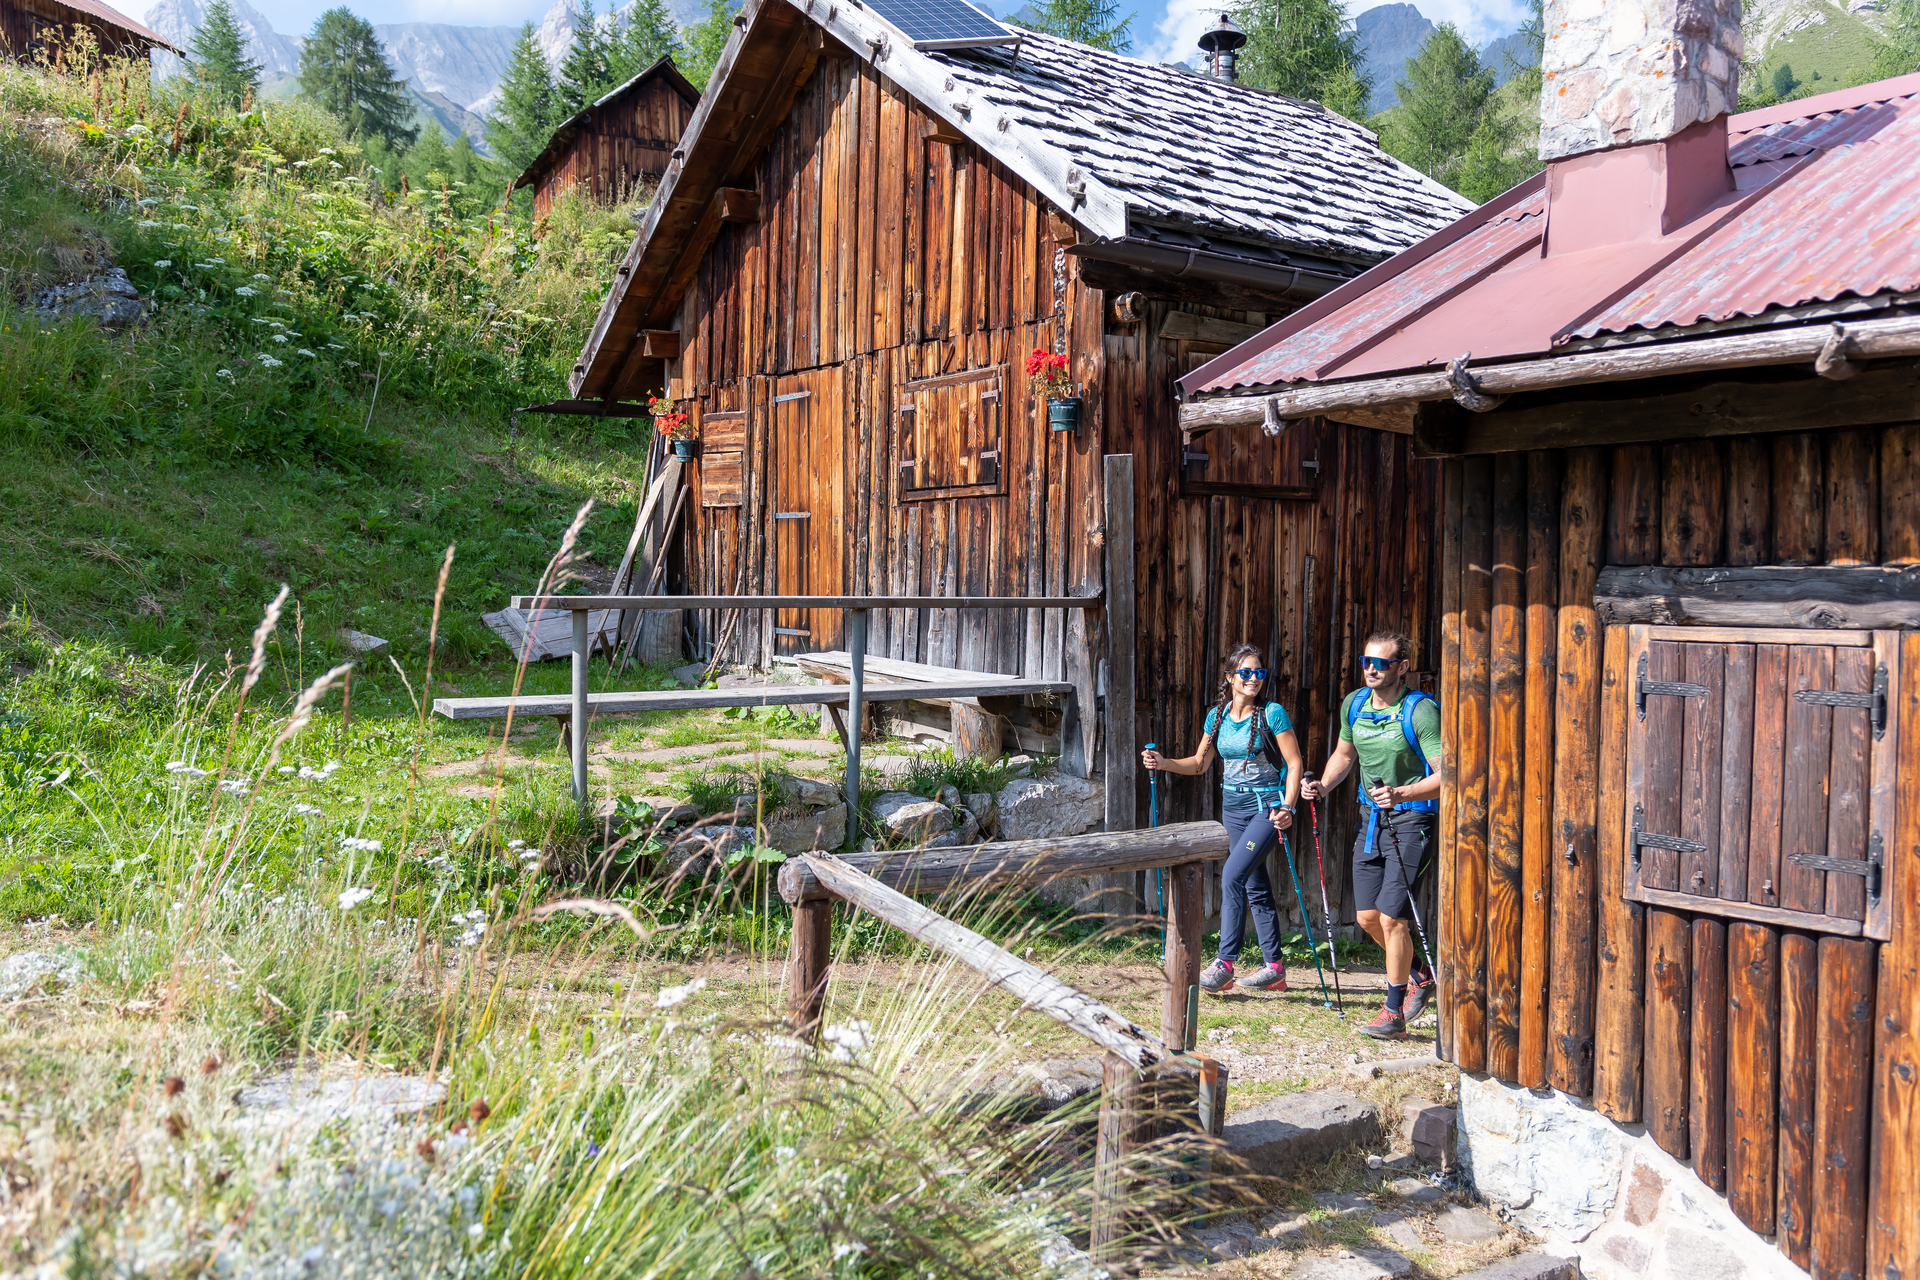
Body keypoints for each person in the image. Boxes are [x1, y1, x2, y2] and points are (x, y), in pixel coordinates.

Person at [1301, 630, 1442, 1039]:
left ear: (1402, 667)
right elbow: (1345, 755)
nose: (1371, 670)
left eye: (1380, 664)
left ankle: (1393, 1012)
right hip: (1371, 822)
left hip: (1412, 821)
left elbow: (1448, 774)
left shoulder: (1421, 712)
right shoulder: (1356, 704)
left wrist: (1402, 793)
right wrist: (1324, 786)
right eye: (1366, 662)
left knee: (1391, 916)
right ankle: (1421, 975)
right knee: (1366, 918)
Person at [1141, 643, 1303, 995]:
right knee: (1253, 884)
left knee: (1231, 875)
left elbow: (1294, 764)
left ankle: (1224, 963)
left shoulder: (1271, 713)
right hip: (1233, 809)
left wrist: (1288, 807)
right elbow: (1200, 764)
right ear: (1230, 677)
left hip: (1267, 808)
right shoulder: (1217, 717)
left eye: (1259, 673)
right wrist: (1164, 762)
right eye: (1245, 673)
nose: (1253, 679)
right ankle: (1274, 968)